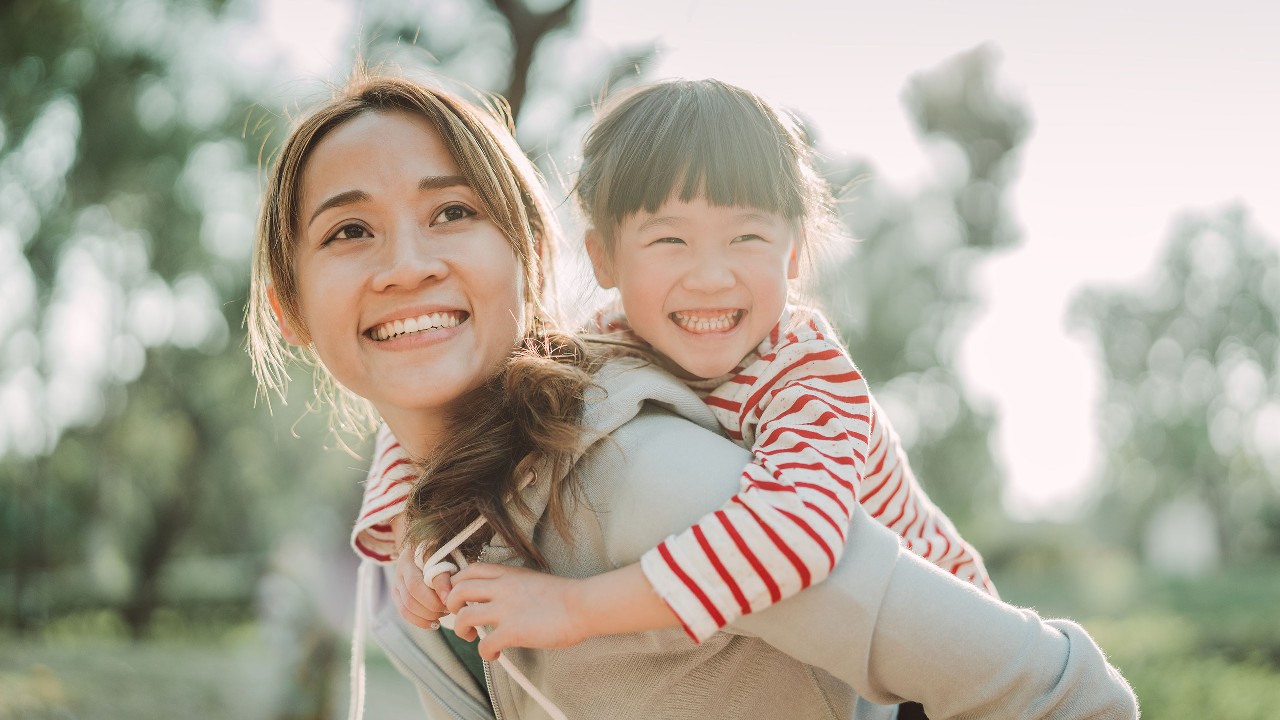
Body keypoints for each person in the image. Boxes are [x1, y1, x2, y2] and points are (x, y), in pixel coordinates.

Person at [248, 73, 1139, 719]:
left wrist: (579, 609)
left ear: (532, 254)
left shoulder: (638, 473)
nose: (408, 265)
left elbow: (1065, 697)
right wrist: (404, 540)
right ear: (289, 306)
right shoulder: (441, 532)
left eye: (452, 214)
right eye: (351, 230)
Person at [374, 78, 997, 654]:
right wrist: (419, 534)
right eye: (669, 240)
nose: (709, 277)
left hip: (949, 659)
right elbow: (473, 413)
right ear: (603, 258)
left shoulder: (807, 378)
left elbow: (795, 538)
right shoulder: (602, 351)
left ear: (794, 253)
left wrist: (575, 608)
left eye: (747, 238)